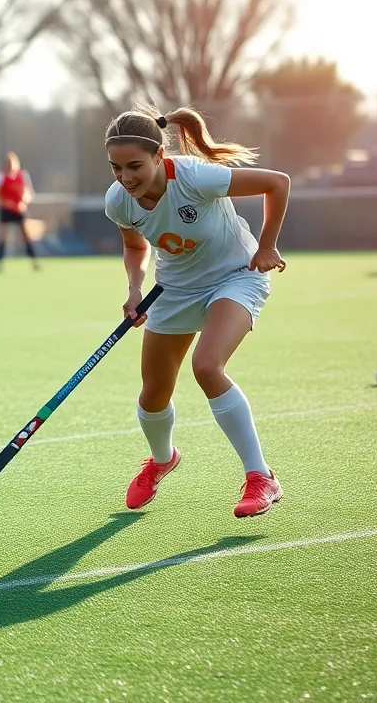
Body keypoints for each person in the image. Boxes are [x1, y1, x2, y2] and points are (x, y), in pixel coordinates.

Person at [102, 104, 290, 518]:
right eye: (116, 168)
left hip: (235, 276)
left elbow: (277, 183)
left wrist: (267, 244)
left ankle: (261, 477)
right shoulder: (119, 201)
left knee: (207, 366)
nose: (125, 178)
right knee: (153, 394)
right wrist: (135, 290)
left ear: (158, 157)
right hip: (175, 290)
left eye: (134, 166)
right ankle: (162, 459)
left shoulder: (194, 177)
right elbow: (136, 246)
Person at [0, 151, 40, 272]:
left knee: (26, 235)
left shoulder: (23, 176)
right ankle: (0, 264)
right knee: (3, 236)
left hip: (19, 210)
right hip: (6, 210)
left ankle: (34, 262)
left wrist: (23, 202)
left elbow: (28, 192)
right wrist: (6, 203)